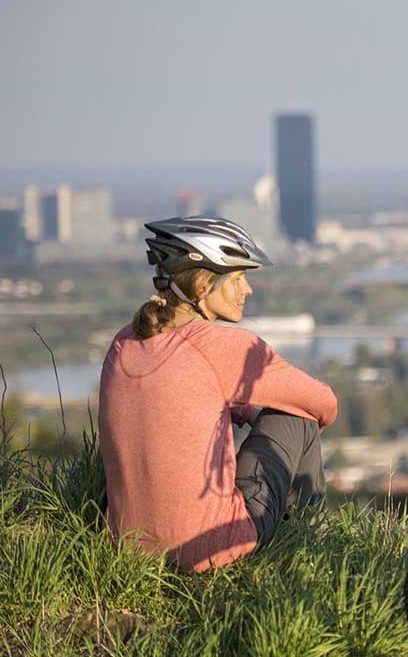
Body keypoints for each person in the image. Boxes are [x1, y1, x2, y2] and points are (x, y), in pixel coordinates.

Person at [98, 216, 337, 572]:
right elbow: (323, 403)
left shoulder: (124, 342)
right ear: (201, 287)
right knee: (297, 417)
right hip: (208, 548)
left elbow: (181, 394)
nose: (248, 289)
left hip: (127, 549)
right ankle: (300, 547)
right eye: (239, 278)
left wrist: (240, 407)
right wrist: (263, 412)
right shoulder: (226, 347)